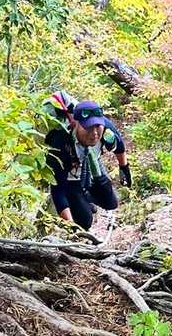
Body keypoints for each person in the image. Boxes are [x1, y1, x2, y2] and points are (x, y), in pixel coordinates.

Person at [43, 93, 132, 232]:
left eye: (97, 126)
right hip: (70, 177)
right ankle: (82, 201)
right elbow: (58, 191)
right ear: (76, 123)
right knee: (84, 221)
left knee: (111, 202)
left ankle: (87, 197)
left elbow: (119, 146)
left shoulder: (106, 128)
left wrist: (124, 168)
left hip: (93, 165)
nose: (95, 133)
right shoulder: (60, 143)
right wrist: (71, 226)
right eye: (88, 127)